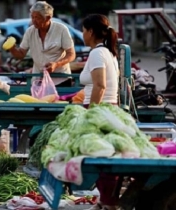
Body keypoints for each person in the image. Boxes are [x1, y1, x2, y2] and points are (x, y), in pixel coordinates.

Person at [79, 14, 119, 210]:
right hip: (108, 108)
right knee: (103, 158)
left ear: (91, 31)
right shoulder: (107, 52)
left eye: (84, 30)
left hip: (100, 109)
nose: (82, 34)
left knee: (103, 159)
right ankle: (105, 201)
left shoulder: (97, 53)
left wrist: (91, 114)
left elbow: (100, 86)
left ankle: (109, 203)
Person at [7, 1, 76, 86]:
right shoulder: (30, 31)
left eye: (37, 18)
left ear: (48, 18)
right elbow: (21, 54)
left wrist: (56, 64)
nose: (34, 21)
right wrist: (12, 49)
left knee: (60, 99)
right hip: (39, 79)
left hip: (60, 79)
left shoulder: (61, 29)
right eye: (32, 17)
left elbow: (71, 54)